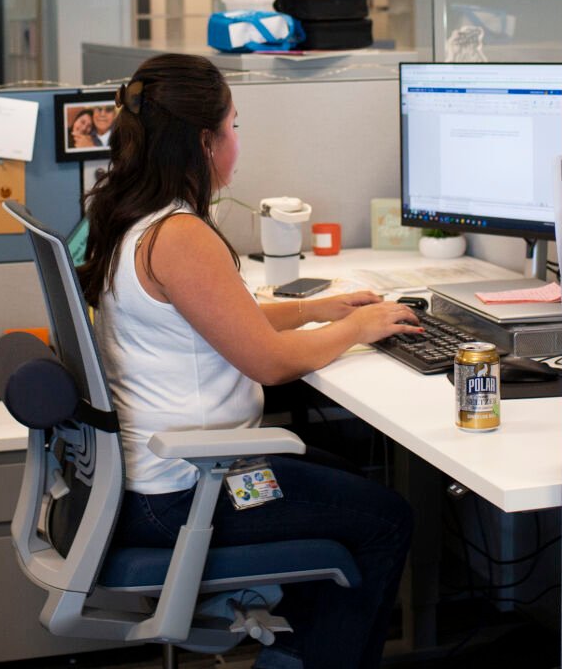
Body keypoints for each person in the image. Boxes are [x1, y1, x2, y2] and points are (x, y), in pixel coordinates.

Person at [78, 53, 421, 669]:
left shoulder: (131, 216)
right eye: (233, 127)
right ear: (204, 142)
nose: (238, 142)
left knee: (344, 476)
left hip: (165, 475)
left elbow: (219, 319)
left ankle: (294, 655)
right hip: (189, 491)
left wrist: (320, 311)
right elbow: (268, 363)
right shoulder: (180, 235)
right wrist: (358, 327)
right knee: (386, 519)